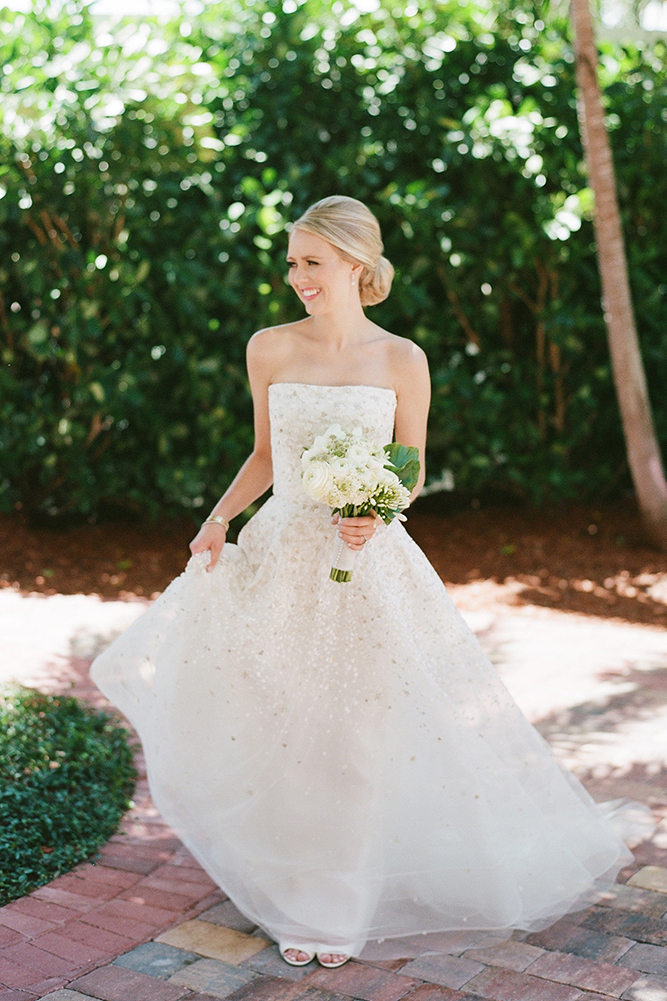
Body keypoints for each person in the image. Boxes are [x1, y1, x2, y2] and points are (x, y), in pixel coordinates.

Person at [91, 195, 640, 971]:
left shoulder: (401, 359)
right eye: (291, 263)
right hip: (282, 555)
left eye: (310, 262)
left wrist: (376, 509)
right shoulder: (268, 348)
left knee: (355, 734)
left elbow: (408, 465)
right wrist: (217, 518)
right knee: (283, 724)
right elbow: (266, 454)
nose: (296, 278)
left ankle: (333, 908)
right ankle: (295, 882)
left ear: (354, 262)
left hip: (366, 565)